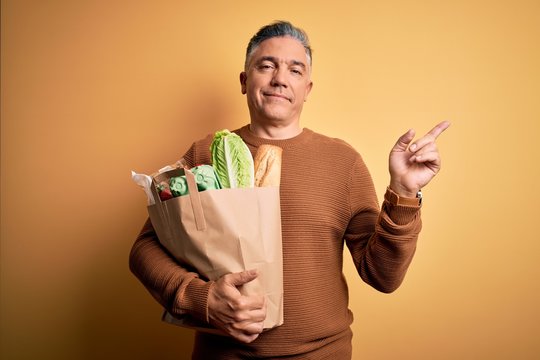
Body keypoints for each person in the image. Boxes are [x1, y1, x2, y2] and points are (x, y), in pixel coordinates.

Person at [129, 21, 450, 359]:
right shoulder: (205, 154)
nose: (280, 78)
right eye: (266, 66)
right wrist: (202, 299)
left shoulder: (343, 161)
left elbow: (383, 276)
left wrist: (404, 192)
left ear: (307, 87)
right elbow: (144, 250)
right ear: (244, 80)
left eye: (295, 70)